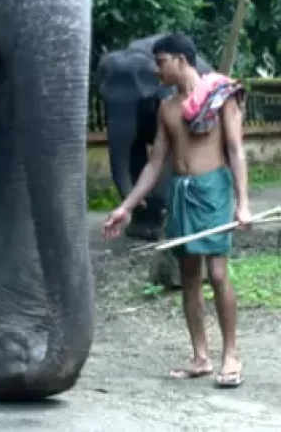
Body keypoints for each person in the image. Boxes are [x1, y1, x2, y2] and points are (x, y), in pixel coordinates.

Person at [102, 33, 253, 388]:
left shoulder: (221, 97)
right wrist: (125, 206)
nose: (157, 70)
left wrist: (242, 203)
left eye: (161, 62)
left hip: (213, 191)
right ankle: (200, 356)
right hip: (181, 194)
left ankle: (231, 354)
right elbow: (155, 164)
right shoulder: (167, 108)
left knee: (217, 274)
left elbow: (235, 150)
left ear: (181, 60)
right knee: (188, 277)